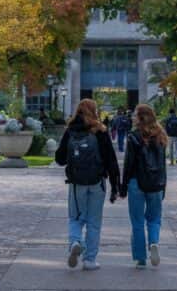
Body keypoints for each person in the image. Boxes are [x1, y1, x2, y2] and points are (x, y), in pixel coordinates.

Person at [55, 99, 120, 272]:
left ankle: (76, 241)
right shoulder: (100, 131)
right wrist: (115, 186)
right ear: (95, 111)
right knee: (94, 222)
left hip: (77, 183)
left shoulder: (71, 130)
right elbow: (111, 161)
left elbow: (59, 159)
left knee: (75, 217)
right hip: (97, 182)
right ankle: (90, 259)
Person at [121, 104, 167, 269]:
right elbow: (162, 165)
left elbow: (128, 163)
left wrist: (123, 185)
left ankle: (140, 258)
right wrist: (164, 187)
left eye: (135, 115)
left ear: (140, 117)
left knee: (137, 221)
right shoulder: (161, 136)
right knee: (155, 219)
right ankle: (154, 242)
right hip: (156, 183)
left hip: (136, 182)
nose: (133, 117)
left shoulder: (134, 136)